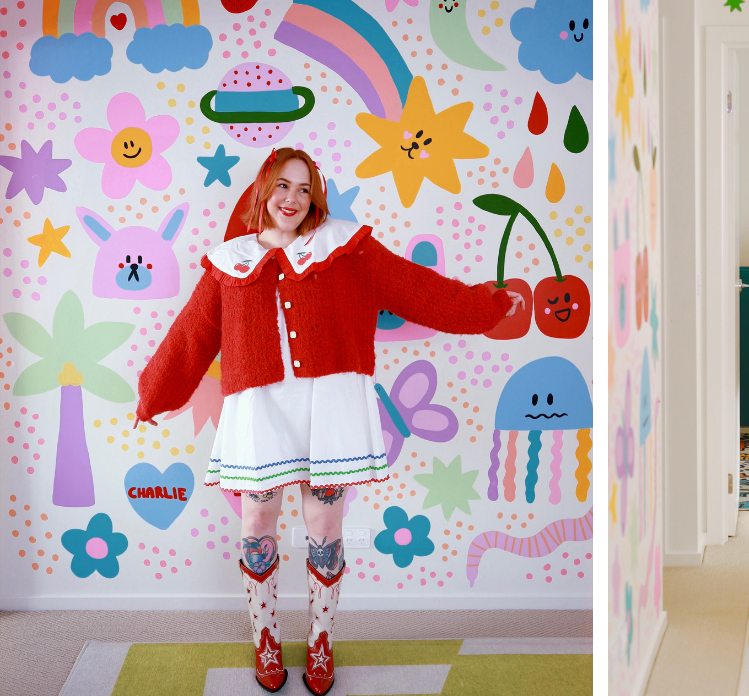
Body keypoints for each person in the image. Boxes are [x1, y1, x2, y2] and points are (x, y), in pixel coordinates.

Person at [135, 148, 522, 694]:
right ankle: (265, 640)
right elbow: (191, 336)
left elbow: (418, 289)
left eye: (304, 189)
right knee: (256, 525)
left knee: (324, 530)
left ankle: (321, 641)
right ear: (262, 189)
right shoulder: (230, 261)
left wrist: (483, 309)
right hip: (259, 413)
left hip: (329, 412)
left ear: (315, 197)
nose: (292, 199)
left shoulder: (347, 246)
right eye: (282, 186)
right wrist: (152, 395)